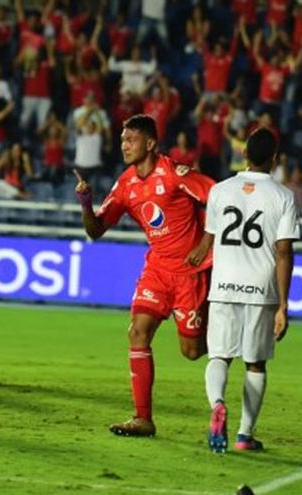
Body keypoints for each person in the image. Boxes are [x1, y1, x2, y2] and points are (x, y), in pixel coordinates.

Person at [75, 114, 215, 437]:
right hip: (157, 270)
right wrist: (86, 204)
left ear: (150, 143)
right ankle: (143, 418)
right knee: (137, 332)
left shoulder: (175, 173)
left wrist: (207, 241)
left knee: (192, 352)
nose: (124, 146)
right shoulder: (126, 184)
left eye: (130, 140)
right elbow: (95, 230)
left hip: (190, 272)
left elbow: (219, 198)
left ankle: (228, 341)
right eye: (123, 140)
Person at [186, 128, 299, 453]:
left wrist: (197, 252)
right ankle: (244, 436)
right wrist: (283, 306)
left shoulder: (220, 190)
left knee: (220, 355)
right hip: (260, 289)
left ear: (244, 154)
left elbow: (209, 238)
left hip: (223, 284)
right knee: (255, 362)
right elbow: (283, 252)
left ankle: (217, 403)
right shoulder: (283, 196)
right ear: (274, 159)